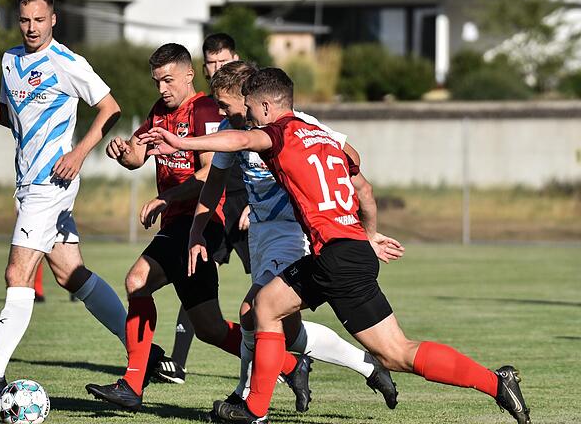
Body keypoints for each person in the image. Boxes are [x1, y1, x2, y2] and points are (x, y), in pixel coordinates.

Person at [140, 68, 531, 424]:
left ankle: (253, 409)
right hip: (352, 250)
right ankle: (498, 383)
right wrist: (370, 234)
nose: (251, 116)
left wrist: (180, 139)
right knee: (386, 348)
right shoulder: (327, 137)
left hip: (334, 256)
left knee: (273, 312)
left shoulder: (279, 132)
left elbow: (241, 138)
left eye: (253, 109)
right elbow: (363, 189)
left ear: (264, 105)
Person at [84, 44, 310, 413]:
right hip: (180, 222)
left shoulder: (207, 110)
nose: (162, 89)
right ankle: (290, 363)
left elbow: (208, 173)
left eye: (168, 80)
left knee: (137, 280)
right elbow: (136, 158)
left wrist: (167, 197)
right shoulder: (159, 112)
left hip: (203, 221)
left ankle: (132, 383)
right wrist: (122, 151)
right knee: (208, 327)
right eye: (157, 81)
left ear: (189, 75)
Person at [0, 0, 131, 410]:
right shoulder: (10, 61)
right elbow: (16, 120)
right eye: (24, 20)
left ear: (54, 19)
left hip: (53, 183)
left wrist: (78, 153)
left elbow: (110, 107)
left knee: (17, 272)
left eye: (39, 19)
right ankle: (142, 350)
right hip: (26, 184)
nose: (31, 27)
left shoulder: (66, 62)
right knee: (70, 274)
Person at [184, 60, 402, 412]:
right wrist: (197, 231)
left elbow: (348, 158)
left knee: (252, 311)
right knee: (285, 328)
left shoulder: (296, 125)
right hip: (260, 233)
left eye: (225, 103)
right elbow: (214, 184)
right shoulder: (231, 128)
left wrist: (348, 214)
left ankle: (245, 398)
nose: (221, 111)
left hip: (293, 230)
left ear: (251, 99)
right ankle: (362, 365)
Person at [154, 33, 251, 385]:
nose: (214, 69)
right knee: (193, 278)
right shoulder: (208, 107)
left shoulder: (251, 108)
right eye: (209, 63)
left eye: (221, 62)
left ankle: (285, 357)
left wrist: (255, 205)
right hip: (215, 201)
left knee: (268, 290)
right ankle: (178, 363)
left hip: (247, 203)